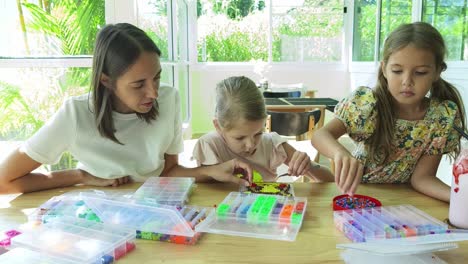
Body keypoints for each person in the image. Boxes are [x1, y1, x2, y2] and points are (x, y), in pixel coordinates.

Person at [0, 23, 252, 194]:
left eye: (156, 77)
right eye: (138, 84)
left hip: (155, 205)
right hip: (100, 215)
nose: (153, 92)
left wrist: (211, 171)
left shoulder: (169, 98)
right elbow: (4, 181)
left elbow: (168, 171)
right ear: (107, 81)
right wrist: (80, 176)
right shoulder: (75, 115)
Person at [311, 22, 466, 202]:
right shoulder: (367, 105)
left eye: (421, 72)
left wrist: (460, 200)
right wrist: (340, 153)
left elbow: (423, 178)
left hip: (404, 203)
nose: (407, 81)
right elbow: (320, 135)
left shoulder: (441, 117)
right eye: (397, 71)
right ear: (384, 68)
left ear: (437, 71)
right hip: (358, 197)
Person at [192, 76, 334, 182]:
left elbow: (329, 181)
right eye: (240, 138)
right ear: (218, 126)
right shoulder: (209, 146)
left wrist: (308, 165)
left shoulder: (272, 144)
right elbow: (200, 190)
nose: (251, 144)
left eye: (258, 133)